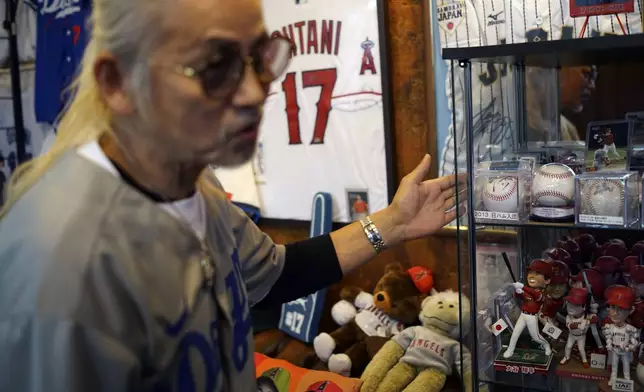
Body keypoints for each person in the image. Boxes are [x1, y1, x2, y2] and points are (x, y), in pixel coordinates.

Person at [0, 0, 465, 390]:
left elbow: (277, 275)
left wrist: (394, 223)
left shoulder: (198, 189)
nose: (253, 92)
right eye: (214, 66)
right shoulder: (61, 261)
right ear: (118, 82)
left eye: (260, 57)